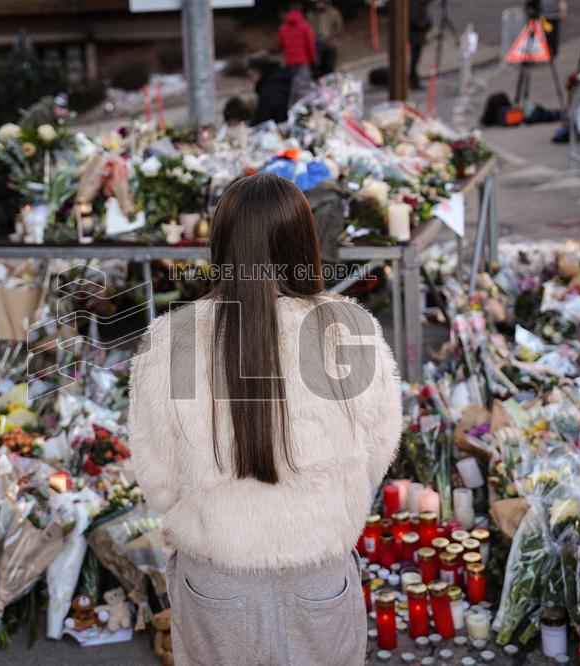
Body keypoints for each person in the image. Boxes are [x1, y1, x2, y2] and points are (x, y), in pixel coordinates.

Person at [129, 173, 402, 666]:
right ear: (304, 240)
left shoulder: (173, 341)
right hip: (319, 576)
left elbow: (158, 478)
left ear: (221, 244)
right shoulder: (351, 331)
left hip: (216, 580)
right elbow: (377, 453)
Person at [277, 4, 318, 105]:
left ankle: (293, 106)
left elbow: (280, 44)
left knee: (293, 87)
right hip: (303, 60)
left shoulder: (283, 27)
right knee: (304, 86)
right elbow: (310, 45)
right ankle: (306, 107)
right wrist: (313, 59)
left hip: (290, 61)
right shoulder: (304, 26)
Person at [248, 55, 294, 125]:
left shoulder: (269, 90)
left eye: (251, 75)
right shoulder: (280, 78)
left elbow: (263, 117)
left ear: (259, 72)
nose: (251, 80)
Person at [307, 0, 344, 77]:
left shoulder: (333, 12)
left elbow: (339, 26)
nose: (319, 4)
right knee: (316, 69)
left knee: (329, 68)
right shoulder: (311, 15)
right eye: (317, 2)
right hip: (316, 46)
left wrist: (330, 37)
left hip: (330, 44)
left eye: (321, 2)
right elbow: (307, 29)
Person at [409, 0, 433, 89]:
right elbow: (415, 21)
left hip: (417, 34)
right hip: (416, 35)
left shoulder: (419, 4)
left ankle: (414, 77)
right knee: (415, 57)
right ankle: (413, 80)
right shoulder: (417, 5)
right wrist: (426, 25)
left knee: (415, 57)